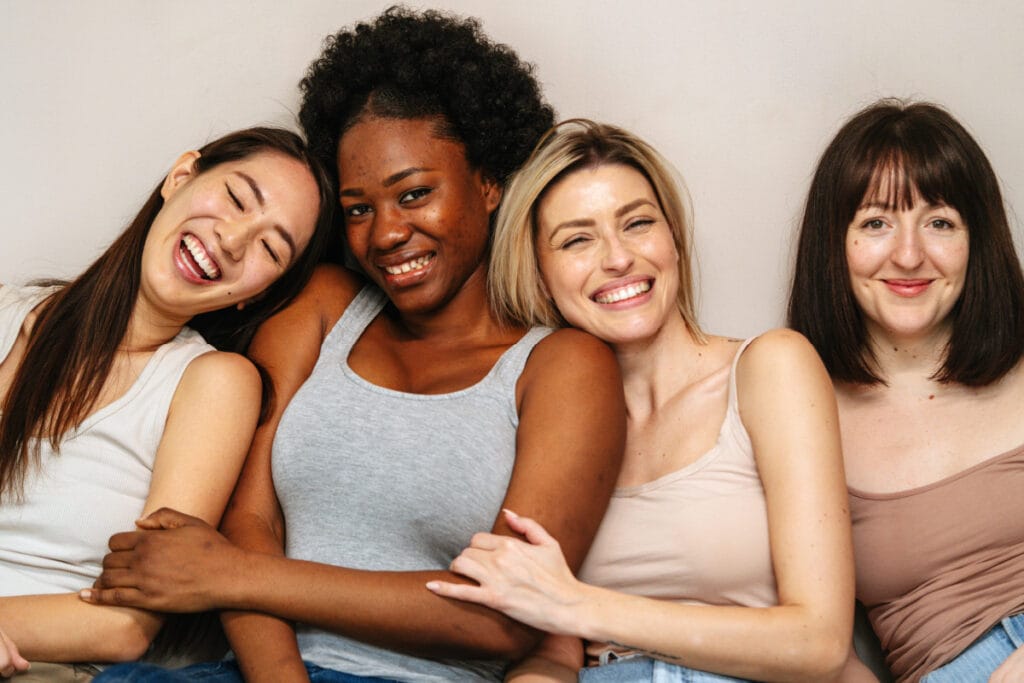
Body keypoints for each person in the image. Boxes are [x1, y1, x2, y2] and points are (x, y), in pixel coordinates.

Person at [85, 8, 626, 683]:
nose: (387, 233)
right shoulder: (323, 303)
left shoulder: (563, 366)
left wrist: (234, 576)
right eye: (359, 208)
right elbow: (249, 519)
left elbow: (509, 611)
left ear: (488, 183)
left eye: (415, 193)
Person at [424, 119, 854, 682]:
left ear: (673, 237)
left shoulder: (769, 368)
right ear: (540, 273)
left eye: (638, 224)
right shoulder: (544, 420)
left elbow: (818, 642)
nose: (618, 258)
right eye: (578, 239)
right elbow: (553, 648)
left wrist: (580, 604)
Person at [0, 125, 334, 681]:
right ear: (181, 176)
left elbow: (125, 627)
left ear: (258, 293)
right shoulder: (10, 311)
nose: (232, 240)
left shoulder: (212, 383)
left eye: (270, 248)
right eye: (235, 198)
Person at [787, 99, 1024, 683]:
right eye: (875, 222)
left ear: (978, 240)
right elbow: (812, 645)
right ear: (833, 245)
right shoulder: (798, 411)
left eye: (940, 221)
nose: (910, 255)